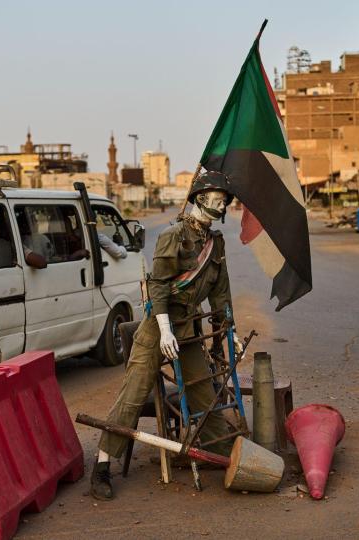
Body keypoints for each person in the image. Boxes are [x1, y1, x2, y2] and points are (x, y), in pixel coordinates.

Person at [90, 171, 243, 501]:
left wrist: (231, 331)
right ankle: (102, 465)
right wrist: (163, 331)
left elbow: (221, 294)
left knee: (204, 391)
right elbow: (158, 285)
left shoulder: (215, 244)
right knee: (133, 393)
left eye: (224, 198)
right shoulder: (174, 236)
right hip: (157, 329)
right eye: (214, 197)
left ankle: (220, 452)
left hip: (186, 332)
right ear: (199, 198)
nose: (219, 203)